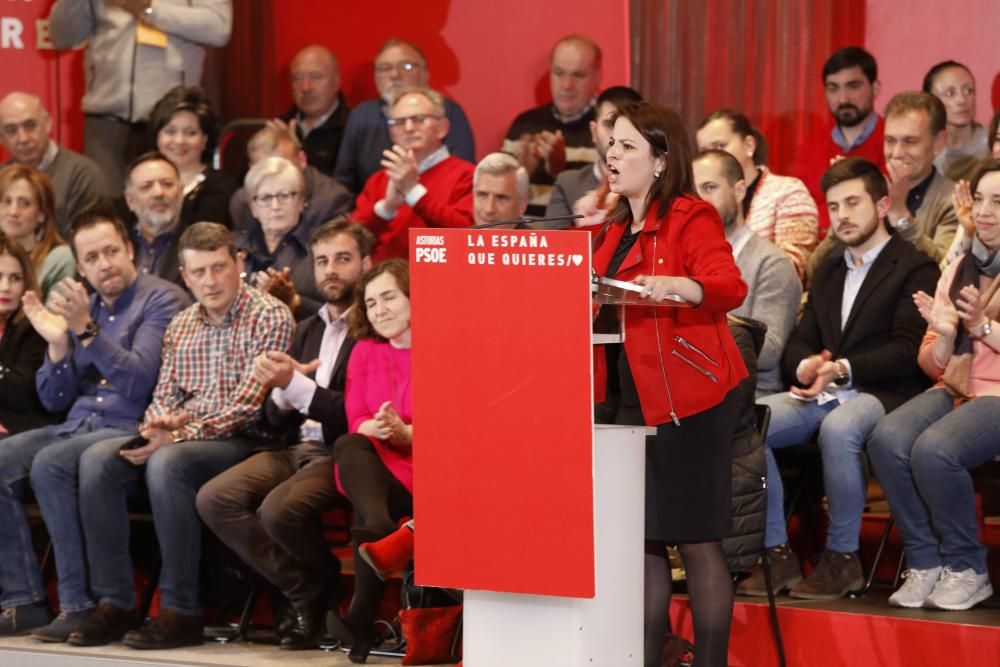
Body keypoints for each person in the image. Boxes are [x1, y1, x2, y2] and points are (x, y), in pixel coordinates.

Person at [67, 222, 294, 650]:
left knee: (169, 463)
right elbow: (163, 393)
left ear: (238, 264)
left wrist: (180, 435)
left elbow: (247, 406)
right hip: (183, 436)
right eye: (198, 272)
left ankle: (181, 610)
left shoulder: (270, 315)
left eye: (218, 268)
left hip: (246, 439)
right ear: (185, 277)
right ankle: (115, 603)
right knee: (98, 461)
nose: (209, 281)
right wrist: (155, 427)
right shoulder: (182, 324)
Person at [577, 101, 748, 667]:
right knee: (645, 541)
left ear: (660, 160)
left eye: (627, 145)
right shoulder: (612, 228)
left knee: (696, 541)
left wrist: (679, 285)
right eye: (611, 144)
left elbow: (727, 286)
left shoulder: (690, 216)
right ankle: (647, 659)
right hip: (627, 404)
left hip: (689, 401)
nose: (612, 154)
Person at [743, 158, 939, 601]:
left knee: (841, 427)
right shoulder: (828, 266)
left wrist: (843, 368)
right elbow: (800, 337)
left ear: (883, 203)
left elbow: (908, 351)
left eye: (853, 203)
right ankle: (775, 553)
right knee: (749, 419)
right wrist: (806, 365)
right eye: (834, 206)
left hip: (886, 392)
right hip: (823, 390)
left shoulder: (914, 267)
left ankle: (842, 558)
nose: (842, 216)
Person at [0, 211, 186, 640]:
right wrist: (58, 346)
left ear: (131, 251)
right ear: (80, 267)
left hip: (129, 425)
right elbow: (54, 399)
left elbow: (139, 382)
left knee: (52, 463)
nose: (105, 263)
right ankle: (23, 598)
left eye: (111, 251)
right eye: (92, 257)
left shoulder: (161, 299)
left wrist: (85, 329)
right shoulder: (84, 303)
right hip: (76, 425)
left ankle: (79, 606)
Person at [196, 220, 373, 651]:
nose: (331, 270)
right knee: (214, 498)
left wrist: (296, 387)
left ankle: (305, 597)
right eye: (322, 261)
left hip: (343, 453)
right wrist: (281, 394)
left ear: (366, 265)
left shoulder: (376, 329)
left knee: (278, 511)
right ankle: (308, 586)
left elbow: (356, 412)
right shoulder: (308, 327)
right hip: (295, 447)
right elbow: (275, 420)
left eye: (343, 259)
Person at [868, 159, 1000, 611]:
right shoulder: (961, 265)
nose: (984, 211)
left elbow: (984, 334)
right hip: (956, 387)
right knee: (886, 437)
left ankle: (967, 567)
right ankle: (925, 560)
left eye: (998, 201)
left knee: (934, 448)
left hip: (997, 394)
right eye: (979, 199)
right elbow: (931, 364)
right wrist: (945, 335)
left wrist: (983, 328)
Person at [326, 259, 414, 664]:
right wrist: (373, 428)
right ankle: (378, 530)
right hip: (374, 472)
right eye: (372, 302)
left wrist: (407, 433)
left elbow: (457, 429)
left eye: (390, 297)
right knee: (349, 442)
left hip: (423, 473)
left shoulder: (445, 346)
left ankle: (360, 621)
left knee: (366, 499)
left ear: (415, 295)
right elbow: (355, 415)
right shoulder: (364, 350)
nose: (380, 310)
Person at [46, 0, 232, 190]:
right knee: (106, 208)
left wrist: (149, 8)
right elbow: (61, 36)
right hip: (106, 121)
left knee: (167, 204)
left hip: (171, 122)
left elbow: (218, 27)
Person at [806, 92, 959, 279]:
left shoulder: (954, 200)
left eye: (910, 141)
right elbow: (813, 273)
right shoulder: (868, 190)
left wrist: (900, 215)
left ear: (938, 142)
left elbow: (943, 274)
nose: (896, 153)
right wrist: (843, 204)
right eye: (890, 141)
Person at [692, 149, 801, 396]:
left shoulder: (772, 262)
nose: (699, 200)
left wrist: (696, 325)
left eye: (709, 188)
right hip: (693, 387)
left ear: (740, 190)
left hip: (749, 396)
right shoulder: (686, 257)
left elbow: (768, 352)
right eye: (693, 191)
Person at [334, 39, 476, 196]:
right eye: (385, 68)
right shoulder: (361, 115)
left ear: (424, 74)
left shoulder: (447, 111)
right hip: (373, 211)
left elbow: (463, 178)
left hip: (435, 207)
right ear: (375, 77)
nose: (395, 75)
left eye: (406, 66)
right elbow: (343, 180)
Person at [352, 88, 474, 261]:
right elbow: (352, 241)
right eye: (399, 122)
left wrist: (414, 192)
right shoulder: (379, 180)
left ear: (442, 127)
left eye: (419, 119)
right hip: (381, 282)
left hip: (439, 280)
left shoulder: (467, 175)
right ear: (392, 133)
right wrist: (386, 208)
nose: (409, 128)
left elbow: (467, 236)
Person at [696, 109, 819, 279]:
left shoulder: (788, 192)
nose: (712, 156)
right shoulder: (699, 199)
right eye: (704, 151)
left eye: (720, 146)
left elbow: (791, 268)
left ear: (749, 145)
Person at [789, 46, 885, 236]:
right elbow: (796, 208)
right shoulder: (810, 146)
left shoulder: (894, 141)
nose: (843, 98)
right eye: (833, 88)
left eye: (853, 86)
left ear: (875, 88)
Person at [503, 35, 603, 216]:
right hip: (527, 239)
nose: (566, 85)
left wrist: (560, 171)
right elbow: (498, 201)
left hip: (580, 238)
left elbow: (610, 206)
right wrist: (522, 174)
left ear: (598, 77)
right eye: (559, 73)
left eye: (578, 75)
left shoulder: (608, 128)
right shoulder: (524, 124)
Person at [0, 92, 110, 237]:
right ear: (1, 139)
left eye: (30, 126)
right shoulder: (2, 177)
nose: (23, 138)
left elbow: (90, 241)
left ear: (47, 123)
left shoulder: (83, 175)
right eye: (11, 130)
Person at [131, 86, 237, 228]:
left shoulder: (222, 188)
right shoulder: (138, 179)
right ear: (157, 136)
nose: (179, 140)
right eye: (170, 131)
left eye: (190, 133)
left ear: (205, 139)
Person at [238, 156, 326, 317]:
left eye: (284, 196)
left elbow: (339, 312)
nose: (275, 206)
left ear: (300, 201)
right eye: (265, 198)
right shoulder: (234, 248)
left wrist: (294, 301)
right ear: (253, 208)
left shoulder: (322, 248)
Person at [229, 126, 353, 233]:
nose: (274, 177)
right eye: (262, 170)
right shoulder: (242, 201)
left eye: (282, 166)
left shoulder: (332, 200)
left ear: (302, 160)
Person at [546, 86, 643, 220]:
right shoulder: (568, 184)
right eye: (609, 124)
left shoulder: (652, 187)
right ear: (593, 131)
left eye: (628, 126)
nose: (617, 135)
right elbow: (554, 240)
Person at [0, 164, 76, 303]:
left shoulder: (59, 259)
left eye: (25, 203)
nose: (13, 212)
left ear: (42, 213)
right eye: (6, 201)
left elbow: (53, 320)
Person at [0, 236, 51, 437]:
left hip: (13, 431)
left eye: (15, 278)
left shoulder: (33, 329)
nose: (5, 287)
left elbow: (21, 395)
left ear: (27, 283)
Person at [275, 45, 350, 177]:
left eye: (316, 77)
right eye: (297, 78)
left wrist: (293, 153)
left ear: (336, 81)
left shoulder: (353, 127)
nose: (305, 87)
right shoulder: (279, 128)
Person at [123, 152, 186, 285]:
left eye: (167, 184)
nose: (158, 193)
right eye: (146, 186)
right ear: (130, 201)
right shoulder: (116, 245)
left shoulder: (200, 244)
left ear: (181, 193)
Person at [924, 61, 990, 182]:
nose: (961, 100)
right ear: (930, 102)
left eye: (968, 91)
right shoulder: (925, 153)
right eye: (950, 93)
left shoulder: (992, 146)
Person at [472, 153, 530, 227]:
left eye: (501, 198)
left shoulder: (540, 238)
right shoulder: (458, 237)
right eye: (482, 195)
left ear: (522, 205)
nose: (489, 209)